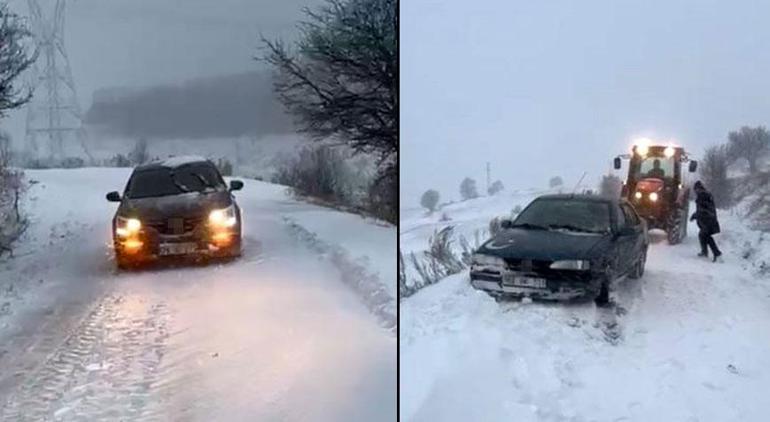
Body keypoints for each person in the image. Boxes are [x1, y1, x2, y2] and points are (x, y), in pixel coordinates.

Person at [690, 180, 722, 262]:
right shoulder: (705, 194)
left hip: (708, 220)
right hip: (709, 219)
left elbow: (703, 210)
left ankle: (717, 253)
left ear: (698, 188)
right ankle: (704, 251)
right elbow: (702, 209)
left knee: (707, 236)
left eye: (696, 190)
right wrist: (695, 215)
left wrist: (695, 215)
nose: (695, 191)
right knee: (702, 235)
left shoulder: (703, 196)